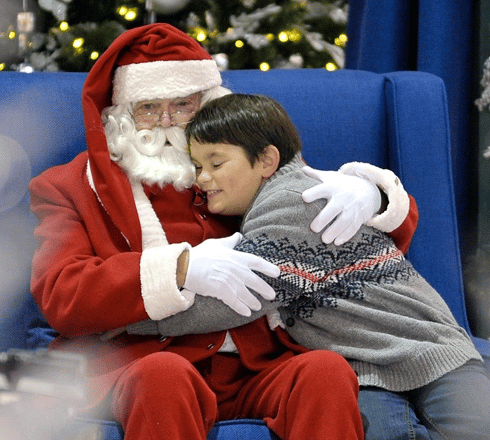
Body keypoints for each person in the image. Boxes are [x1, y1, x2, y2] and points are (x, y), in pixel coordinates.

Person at [29, 24, 418, 439]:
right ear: (121, 116)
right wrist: (178, 269)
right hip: (141, 364)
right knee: (164, 376)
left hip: (257, 364)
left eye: (182, 105)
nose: (165, 122)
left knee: (324, 371)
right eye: (148, 108)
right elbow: (61, 294)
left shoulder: (240, 167)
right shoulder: (70, 187)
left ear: (208, 104)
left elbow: (347, 238)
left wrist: (370, 195)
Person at [137, 92, 490, 440]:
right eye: (197, 166)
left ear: (266, 161)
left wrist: (134, 319)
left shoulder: (292, 203)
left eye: (215, 164)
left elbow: (241, 299)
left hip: (426, 349)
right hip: (374, 367)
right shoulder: (293, 193)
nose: (201, 179)